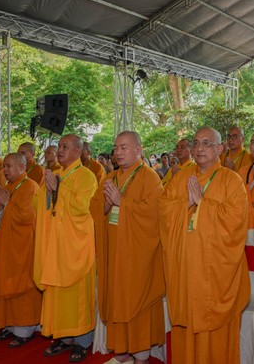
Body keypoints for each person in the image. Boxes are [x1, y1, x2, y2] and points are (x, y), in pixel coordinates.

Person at [159, 127, 250, 363]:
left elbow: (236, 221)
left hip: (215, 273)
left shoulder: (232, 180)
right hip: (186, 269)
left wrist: (202, 203)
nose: (199, 148)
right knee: (187, 324)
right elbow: (164, 211)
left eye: (206, 143)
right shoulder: (181, 178)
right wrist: (185, 205)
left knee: (214, 334)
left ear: (219, 149)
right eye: (196, 143)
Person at [91, 131, 165, 364]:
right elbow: (94, 208)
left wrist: (122, 203)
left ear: (138, 150)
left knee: (136, 300)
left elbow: (155, 214)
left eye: (124, 147)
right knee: (116, 298)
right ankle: (122, 353)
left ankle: (141, 356)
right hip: (114, 253)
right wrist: (106, 205)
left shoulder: (150, 178)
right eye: (116, 148)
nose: (118, 152)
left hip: (138, 256)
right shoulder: (110, 177)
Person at [35, 134, 98, 362]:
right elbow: (41, 207)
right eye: (59, 146)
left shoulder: (86, 176)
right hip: (55, 245)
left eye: (65, 147)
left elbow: (84, 208)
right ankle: (63, 337)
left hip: (75, 247)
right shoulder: (56, 174)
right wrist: (48, 191)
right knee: (57, 294)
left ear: (78, 152)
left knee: (77, 297)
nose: (59, 150)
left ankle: (82, 341)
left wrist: (58, 190)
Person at [0, 153, 42, 348]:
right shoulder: (8, 187)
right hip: (5, 246)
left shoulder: (30, 187)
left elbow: (28, 217)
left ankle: (25, 329)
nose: (5, 170)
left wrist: (7, 204)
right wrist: (2, 205)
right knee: (5, 282)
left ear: (21, 166)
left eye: (9, 166)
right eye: (4, 166)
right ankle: (8, 324)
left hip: (22, 248)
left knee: (22, 285)